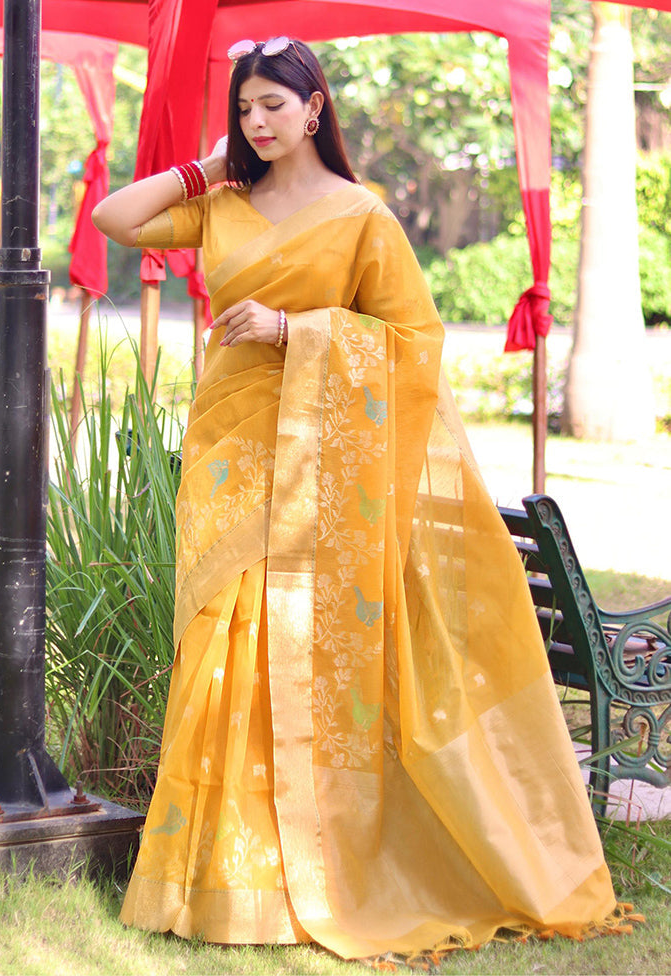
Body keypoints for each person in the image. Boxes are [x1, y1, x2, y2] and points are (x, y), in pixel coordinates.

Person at [92, 37, 633, 962]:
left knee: (284, 641)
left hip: (314, 467)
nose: (259, 122)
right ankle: (218, 874)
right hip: (228, 457)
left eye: (275, 105)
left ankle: (302, 870)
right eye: (247, 107)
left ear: (316, 109)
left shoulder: (360, 216)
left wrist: (295, 327)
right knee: (225, 645)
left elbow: (415, 342)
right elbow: (115, 216)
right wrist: (206, 163)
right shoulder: (221, 204)